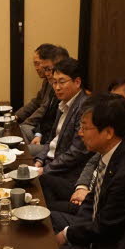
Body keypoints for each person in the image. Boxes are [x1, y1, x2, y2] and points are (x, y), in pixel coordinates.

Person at [51, 94, 125, 249]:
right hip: (93, 226)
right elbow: (93, 199)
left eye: (85, 127)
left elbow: (105, 228)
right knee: (46, 218)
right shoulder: (110, 152)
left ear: (108, 132)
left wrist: (66, 235)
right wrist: (74, 229)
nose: (80, 132)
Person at [58, 78, 125, 213]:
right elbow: (95, 160)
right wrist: (82, 186)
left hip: (99, 201)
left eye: (118, 99)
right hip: (91, 190)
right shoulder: (112, 127)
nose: (111, 104)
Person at [34, 57, 94, 205]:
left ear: (77, 82)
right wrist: (40, 160)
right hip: (51, 161)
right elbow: (52, 138)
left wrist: (45, 169)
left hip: (67, 173)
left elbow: (77, 152)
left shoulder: (84, 107)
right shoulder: (64, 103)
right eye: (54, 82)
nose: (57, 87)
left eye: (62, 82)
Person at [27, 45, 71, 147]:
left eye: (48, 69)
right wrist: (39, 134)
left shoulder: (80, 102)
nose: (47, 74)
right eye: (45, 69)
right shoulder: (53, 86)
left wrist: (42, 157)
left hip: (55, 147)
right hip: (46, 138)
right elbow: (47, 115)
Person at [15, 43, 55, 141]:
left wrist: (25, 123)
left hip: (46, 132)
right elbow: (36, 102)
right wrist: (16, 116)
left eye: (37, 63)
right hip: (41, 129)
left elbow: (43, 109)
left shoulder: (54, 82)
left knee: (20, 131)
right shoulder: (46, 81)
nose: (36, 68)